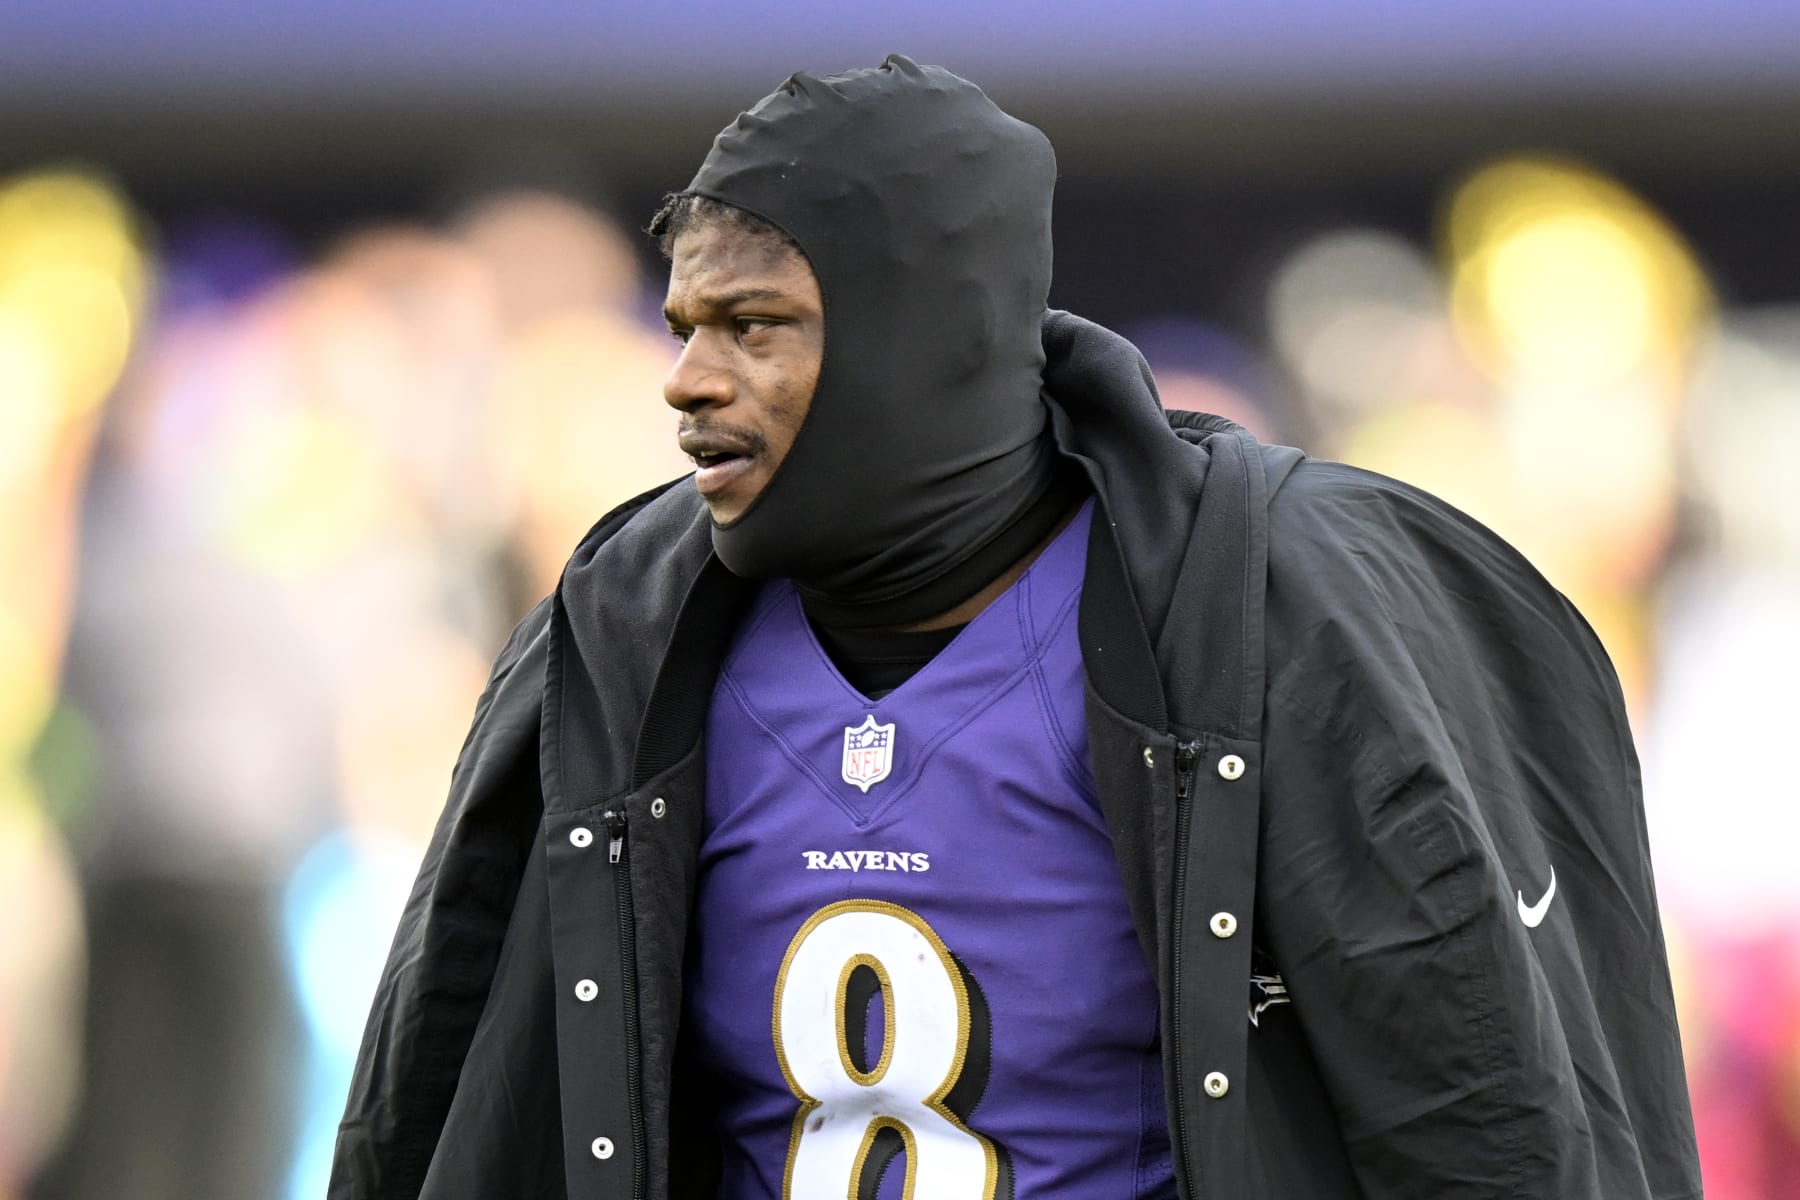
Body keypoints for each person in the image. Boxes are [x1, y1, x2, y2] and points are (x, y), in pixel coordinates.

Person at [331, 56, 1701, 1200]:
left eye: (755, 326)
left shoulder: (1263, 609)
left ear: (930, 337)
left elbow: (1480, 1104)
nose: (688, 381)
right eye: (686, 325)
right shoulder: (628, 631)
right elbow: (444, 1096)